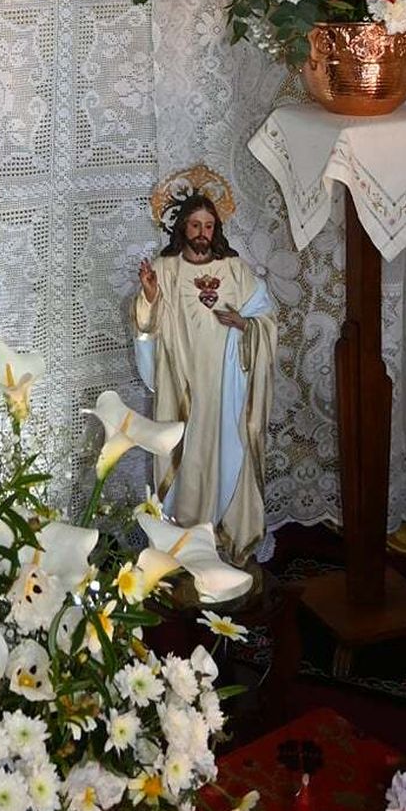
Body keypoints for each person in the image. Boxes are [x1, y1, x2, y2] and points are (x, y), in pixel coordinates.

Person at [131, 177, 277, 563]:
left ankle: (225, 537)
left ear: (217, 229)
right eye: (195, 226)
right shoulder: (166, 269)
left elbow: (267, 319)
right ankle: (185, 545)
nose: (202, 233)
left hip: (227, 386)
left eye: (209, 226)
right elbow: (148, 325)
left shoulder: (235, 269)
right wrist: (148, 296)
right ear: (182, 228)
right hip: (183, 385)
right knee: (188, 458)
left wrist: (246, 326)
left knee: (227, 451)